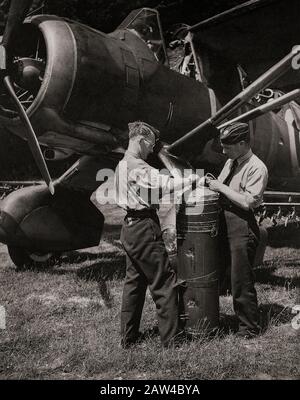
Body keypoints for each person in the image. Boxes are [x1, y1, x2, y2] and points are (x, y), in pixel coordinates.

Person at [114, 121, 198, 348]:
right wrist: (191, 179)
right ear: (141, 140)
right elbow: (164, 184)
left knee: (134, 283)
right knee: (164, 281)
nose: (153, 149)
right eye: (151, 144)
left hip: (128, 227)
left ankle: (127, 338)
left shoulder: (122, 164)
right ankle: (172, 340)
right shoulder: (138, 166)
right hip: (144, 226)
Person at [206, 122, 268, 339]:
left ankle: (248, 328)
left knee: (241, 278)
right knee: (219, 271)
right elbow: (222, 184)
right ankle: (214, 318)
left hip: (242, 224)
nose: (224, 152)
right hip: (224, 221)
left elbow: (248, 202)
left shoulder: (257, 167)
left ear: (243, 143)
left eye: (228, 147)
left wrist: (220, 187)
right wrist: (212, 184)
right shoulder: (232, 161)